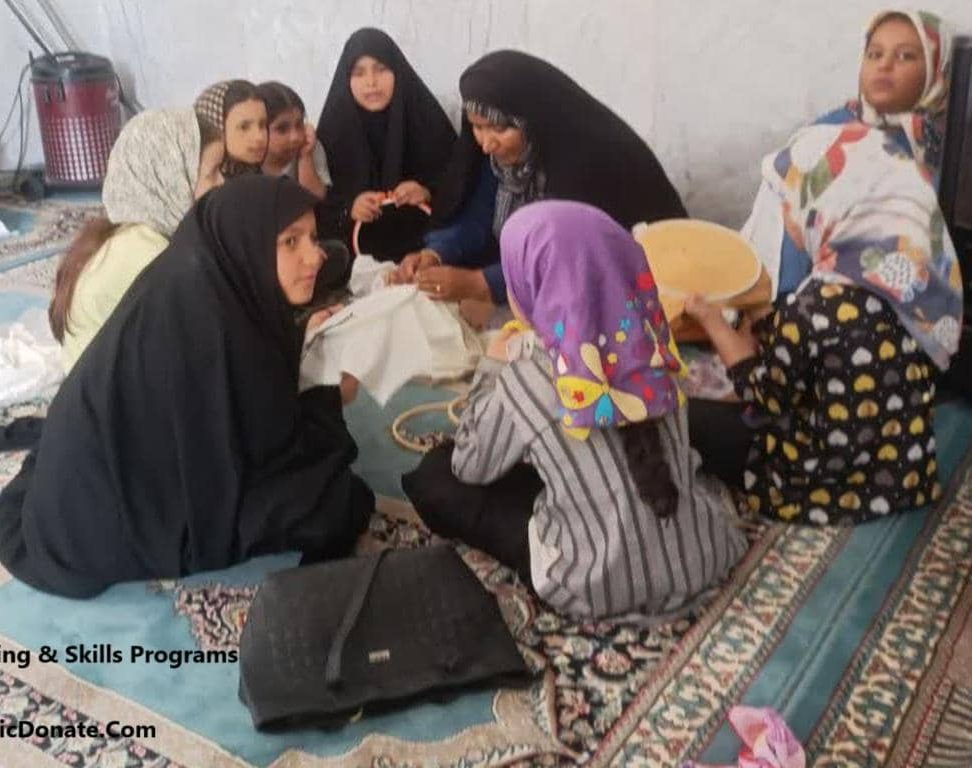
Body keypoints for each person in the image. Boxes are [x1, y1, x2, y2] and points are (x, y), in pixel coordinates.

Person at [0, 177, 372, 598]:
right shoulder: (207, 325)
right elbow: (265, 454)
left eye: (313, 238)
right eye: (290, 242)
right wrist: (331, 400)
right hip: (110, 519)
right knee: (337, 502)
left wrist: (301, 340)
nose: (315, 256)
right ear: (244, 243)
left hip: (92, 480)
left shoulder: (204, 284)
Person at [403, 200, 745, 623]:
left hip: (590, 587)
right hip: (703, 557)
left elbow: (470, 466)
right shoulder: (658, 345)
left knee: (435, 475)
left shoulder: (525, 378)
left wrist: (493, 365)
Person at [685, 10, 963, 525]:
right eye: (875, 53)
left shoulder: (814, 306)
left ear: (828, 213)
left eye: (795, 206)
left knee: (689, 418)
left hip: (812, 486)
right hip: (903, 477)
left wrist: (708, 321)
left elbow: (762, 396)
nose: (788, 217)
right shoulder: (914, 282)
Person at [395, 50, 687, 311]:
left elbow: (572, 261)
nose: (485, 144)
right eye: (476, 127)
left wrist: (481, 283)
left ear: (530, 121)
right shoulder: (505, 155)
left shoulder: (582, 164)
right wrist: (436, 253)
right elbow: (479, 216)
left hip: (636, 282)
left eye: (497, 129)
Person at [743, 10, 955, 296]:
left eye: (905, 56)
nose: (885, 65)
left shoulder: (945, 150)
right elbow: (775, 228)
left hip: (888, 312)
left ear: (936, 71)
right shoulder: (826, 133)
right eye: (874, 54)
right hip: (796, 304)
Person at [48, 108, 201, 371]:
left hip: (91, 392)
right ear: (171, 176)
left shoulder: (128, 230)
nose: (222, 183)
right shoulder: (152, 254)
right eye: (211, 173)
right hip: (111, 404)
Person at [316, 28, 455, 253]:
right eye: (359, 73)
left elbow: (460, 181)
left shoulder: (425, 119)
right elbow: (317, 207)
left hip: (430, 252)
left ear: (397, 72)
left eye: (381, 69)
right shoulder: (333, 131)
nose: (371, 82)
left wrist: (427, 192)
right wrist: (350, 208)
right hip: (354, 264)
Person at [193, 79, 267, 200]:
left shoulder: (262, 183)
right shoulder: (198, 185)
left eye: (263, 125)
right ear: (216, 125)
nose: (260, 137)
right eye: (244, 127)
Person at [257, 81, 331, 199]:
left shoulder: (310, 146)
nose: (295, 137)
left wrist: (305, 158)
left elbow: (315, 200)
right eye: (282, 129)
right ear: (259, 130)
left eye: (299, 124)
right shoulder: (247, 158)